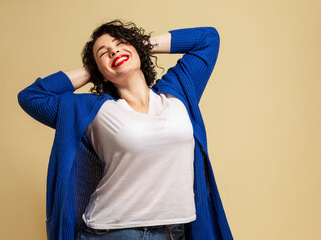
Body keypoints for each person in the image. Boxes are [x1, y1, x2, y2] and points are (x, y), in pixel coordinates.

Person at [18, 19, 233, 240]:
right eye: (103, 53)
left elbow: (207, 38)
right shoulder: (93, 110)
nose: (114, 51)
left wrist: (140, 45)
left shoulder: (176, 93)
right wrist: (93, 69)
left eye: (120, 43)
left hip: (173, 232)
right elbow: (31, 96)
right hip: (111, 233)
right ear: (100, 71)